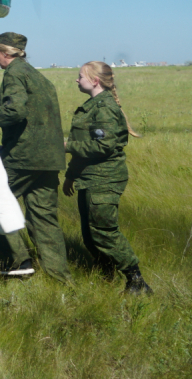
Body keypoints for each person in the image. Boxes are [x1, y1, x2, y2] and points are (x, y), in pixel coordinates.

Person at [0, 32, 72, 282]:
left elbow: (15, 110)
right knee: (44, 219)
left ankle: (19, 260)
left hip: (24, 156)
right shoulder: (38, 76)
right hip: (49, 159)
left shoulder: (14, 73)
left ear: (6, 53)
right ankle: (60, 280)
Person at [64, 62, 152, 294]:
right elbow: (83, 151)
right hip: (89, 178)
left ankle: (136, 280)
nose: (76, 80)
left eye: (80, 76)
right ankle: (106, 273)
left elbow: (102, 147)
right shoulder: (93, 105)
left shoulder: (104, 108)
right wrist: (70, 176)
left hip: (104, 179)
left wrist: (65, 145)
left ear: (94, 81)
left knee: (104, 231)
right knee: (90, 233)